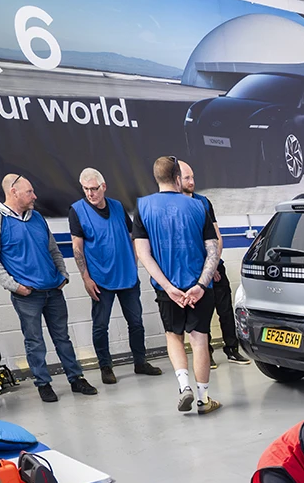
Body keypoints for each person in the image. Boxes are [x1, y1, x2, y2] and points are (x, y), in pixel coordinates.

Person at [0, 173, 98, 403]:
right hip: (27, 295)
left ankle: (76, 378)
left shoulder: (37, 217)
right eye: (29, 192)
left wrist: (63, 274)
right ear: (13, 192)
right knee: (34, 341)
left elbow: (53, 249)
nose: (35, 196)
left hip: (53, 290)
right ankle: (43, 383)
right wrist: (13, 286)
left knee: (62, 337)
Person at [133, 156, 221, 415]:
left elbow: (143, 253)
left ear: (156, 177)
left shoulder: (143, 207)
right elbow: (212, 250)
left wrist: (168, 288)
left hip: (167, 290)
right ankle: (204, 399)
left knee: (174, 336)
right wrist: (201, 286)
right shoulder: (198, 206)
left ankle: (184, 388)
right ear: (177, 178)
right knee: (199, 340)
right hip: (197, 287)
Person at [68, 168, 161, 385]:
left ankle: (140, 361)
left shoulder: (118, 206)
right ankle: (105, 366)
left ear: (104, 186)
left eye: (94, 188)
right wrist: (86, 279)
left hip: (127, 276)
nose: (90, 193)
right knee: (101, 325)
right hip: (100, 279)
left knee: (136, 322)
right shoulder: (77, 210)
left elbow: (132, 236)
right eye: (86, 189)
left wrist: (135, 260)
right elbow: (77, 248)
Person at [179, 161, 248, 365]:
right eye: (186, 178)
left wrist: (214, 265)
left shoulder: (203, 202)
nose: (191, 181)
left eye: (192, 177)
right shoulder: (177, 206)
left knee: (225, 310)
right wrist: (204, 273)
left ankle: (232, 349)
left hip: (214, 267)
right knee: (202, 316)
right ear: (176, 180)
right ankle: (206, 354)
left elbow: (217, 236)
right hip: (194, 272)